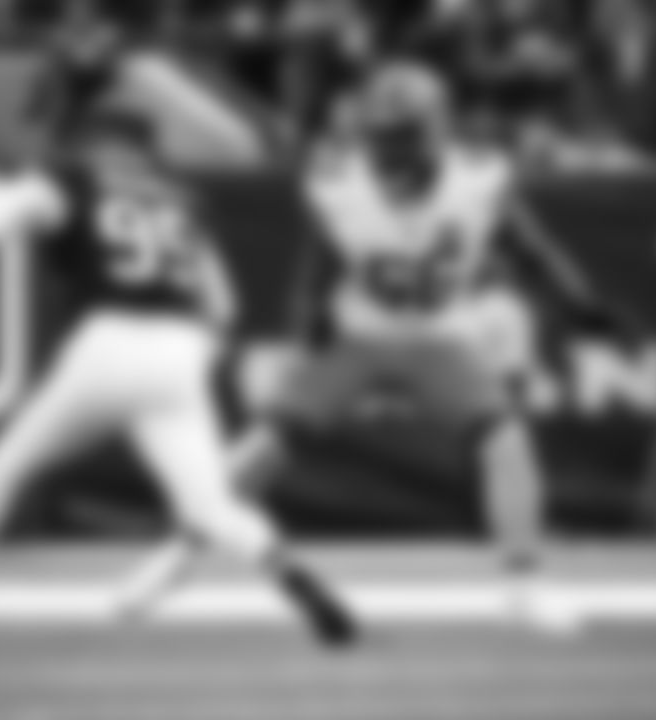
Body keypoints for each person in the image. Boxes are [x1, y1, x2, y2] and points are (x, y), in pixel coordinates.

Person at [112, 61, 629, 620]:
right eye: (382, 138)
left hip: (440, 335)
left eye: (402, 137)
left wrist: (584, 309)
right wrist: (308, 327)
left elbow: (532, 253)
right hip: (359, 334)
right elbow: (320, 266)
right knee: (268, 442)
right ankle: (172, 559)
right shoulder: (339, 184)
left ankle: (523, 582)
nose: (390, 153)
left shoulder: (478, 180)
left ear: (435, 131)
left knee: (505, 439)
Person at [0, 108, 358, 649]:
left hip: (108, 340)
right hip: (179, 350)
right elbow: (224, 305)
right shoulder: (180, 196)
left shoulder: (75, 176)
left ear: (96, 139)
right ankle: (294, 576)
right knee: (208, 504)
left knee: (4, 467)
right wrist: (198, 354)